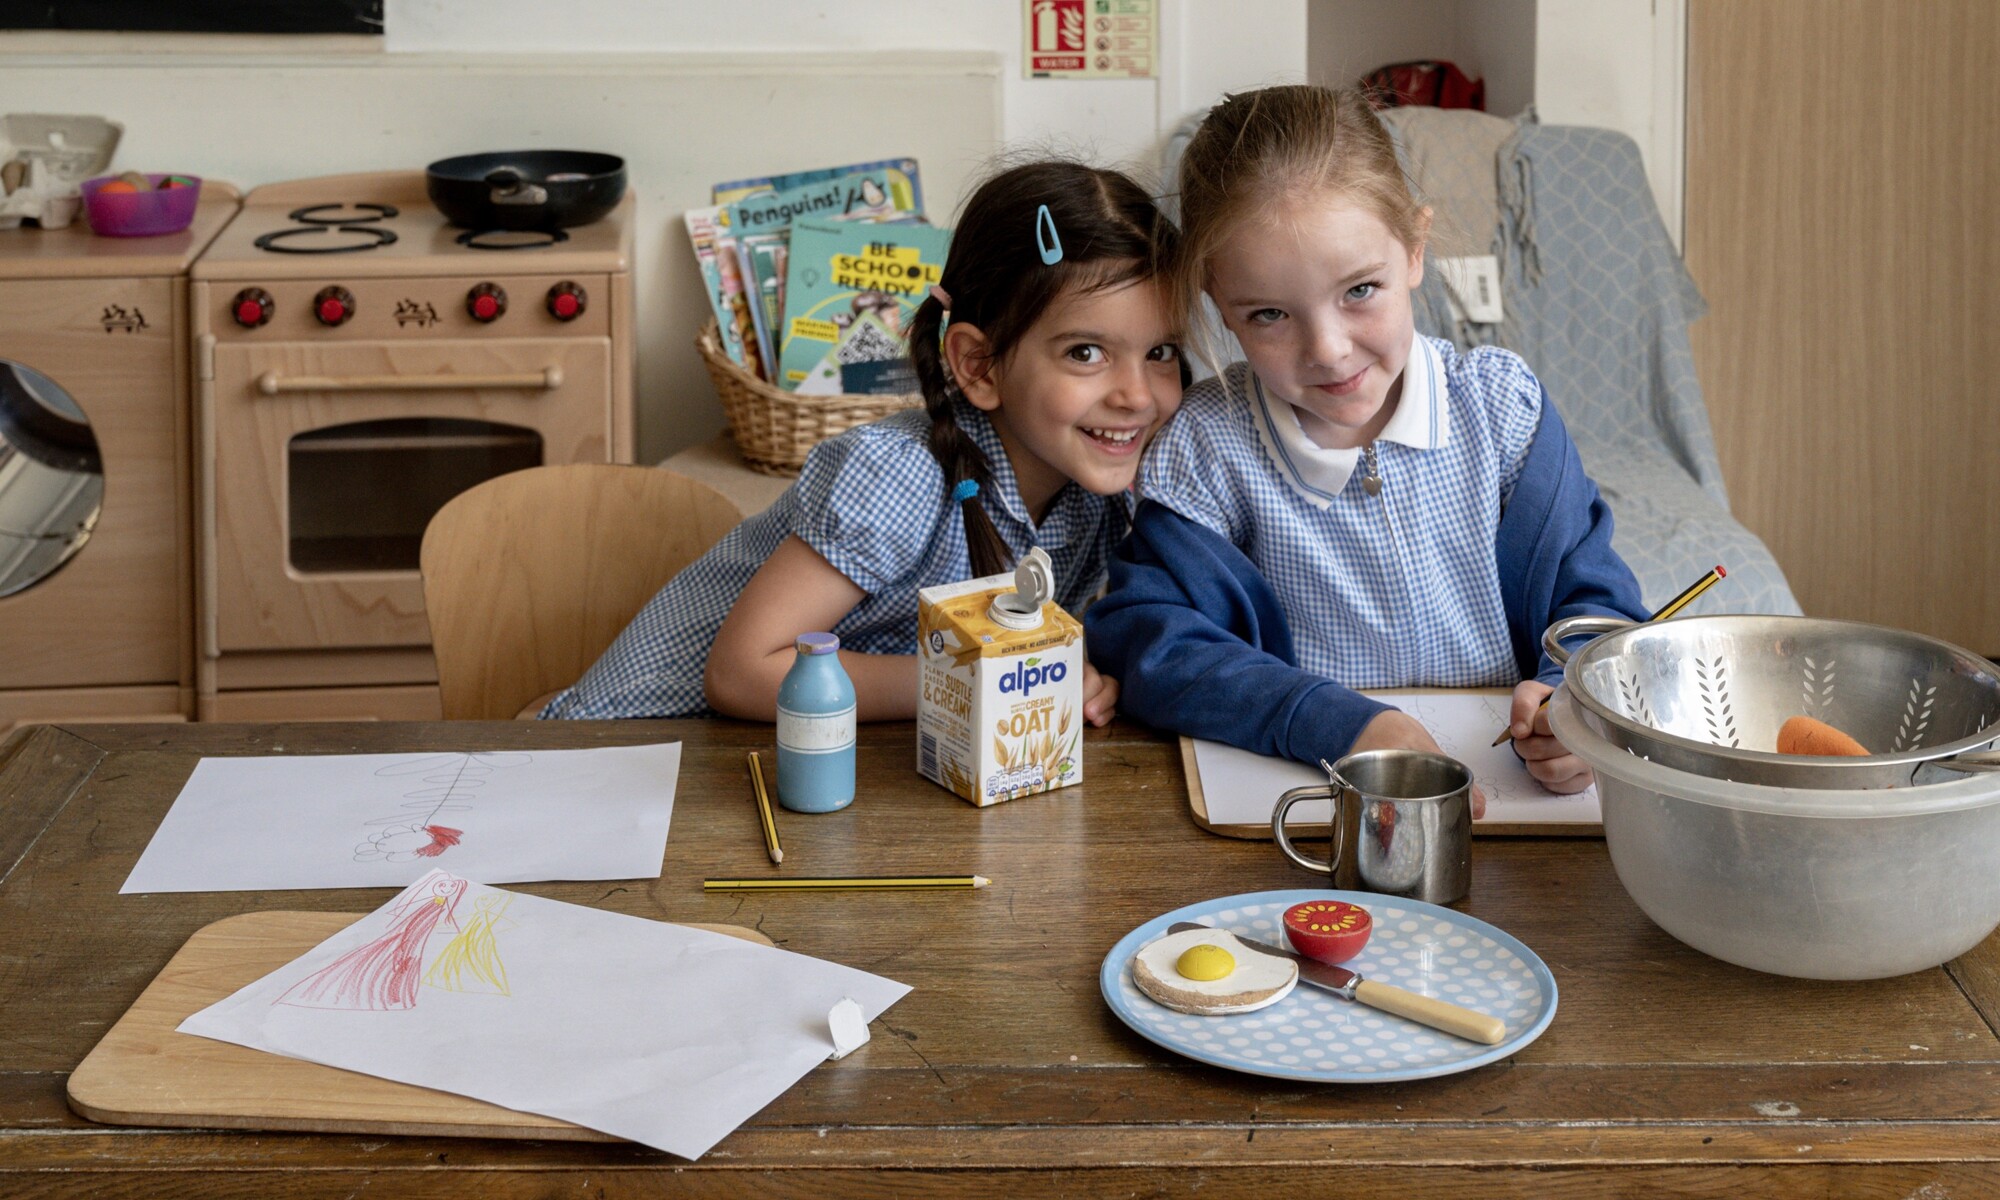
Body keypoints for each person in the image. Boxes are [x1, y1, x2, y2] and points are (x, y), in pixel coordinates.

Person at [1085, 85, 1648, 807]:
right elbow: (1147, 643)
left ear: (1414, 249)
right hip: (1308, 794)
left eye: (1360, 291)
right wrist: (1344, 725)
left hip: (1516, 799)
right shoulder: (1207, 447)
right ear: (1216, 301)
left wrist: (1581, 709)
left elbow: (1601, 612)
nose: (1327, 350)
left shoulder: (1503, 411)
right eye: (1268, 314)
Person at [542, 160, 1185, 722]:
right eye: (1085, 352)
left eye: (1160, 351)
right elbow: (743, 673)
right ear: (980, 366)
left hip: (811, 770)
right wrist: (991, 679)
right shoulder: (899, 475)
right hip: (635, 753)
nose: (1136, 395)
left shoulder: (1097, 496)